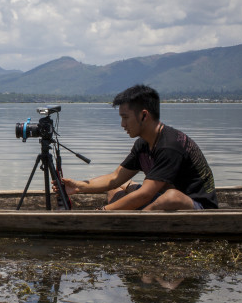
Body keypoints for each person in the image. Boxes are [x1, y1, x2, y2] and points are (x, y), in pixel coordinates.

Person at [61, 84, 217, 210]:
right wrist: (78, 187)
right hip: (159, 198)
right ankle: (135, 218)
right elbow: (115, 178)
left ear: (144, 115)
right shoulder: (143, 144)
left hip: (196, 206)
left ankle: (138, 219)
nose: (122, 124)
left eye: (125, 118)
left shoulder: (170, 145)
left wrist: (104, 212)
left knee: (171, 196)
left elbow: (145, 194)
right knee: (116, 188)